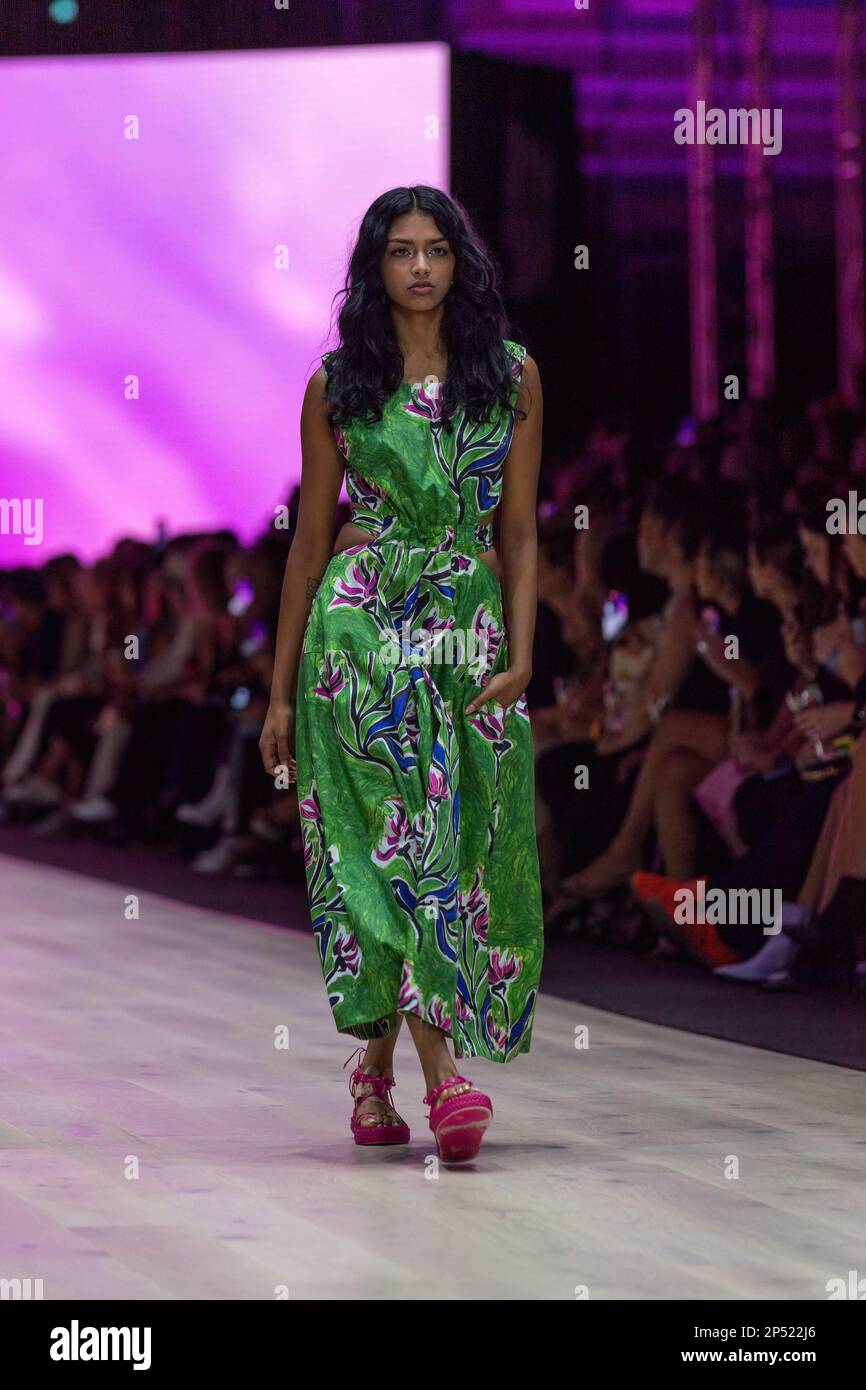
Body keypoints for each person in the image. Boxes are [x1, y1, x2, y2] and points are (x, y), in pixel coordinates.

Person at [258, 186, 544, 1165]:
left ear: (458, 262)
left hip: (462, 624)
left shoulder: (508, 376)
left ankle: (372, 1071)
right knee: (401, 834)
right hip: (359, 629)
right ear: (373, 267)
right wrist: (280, 687)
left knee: (450, 835)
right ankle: (442, 1076)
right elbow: (307, 544)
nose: (418, 267)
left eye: (434, 250)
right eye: (398, 251)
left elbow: (518, 529)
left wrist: (521, 650)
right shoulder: (338, 382)